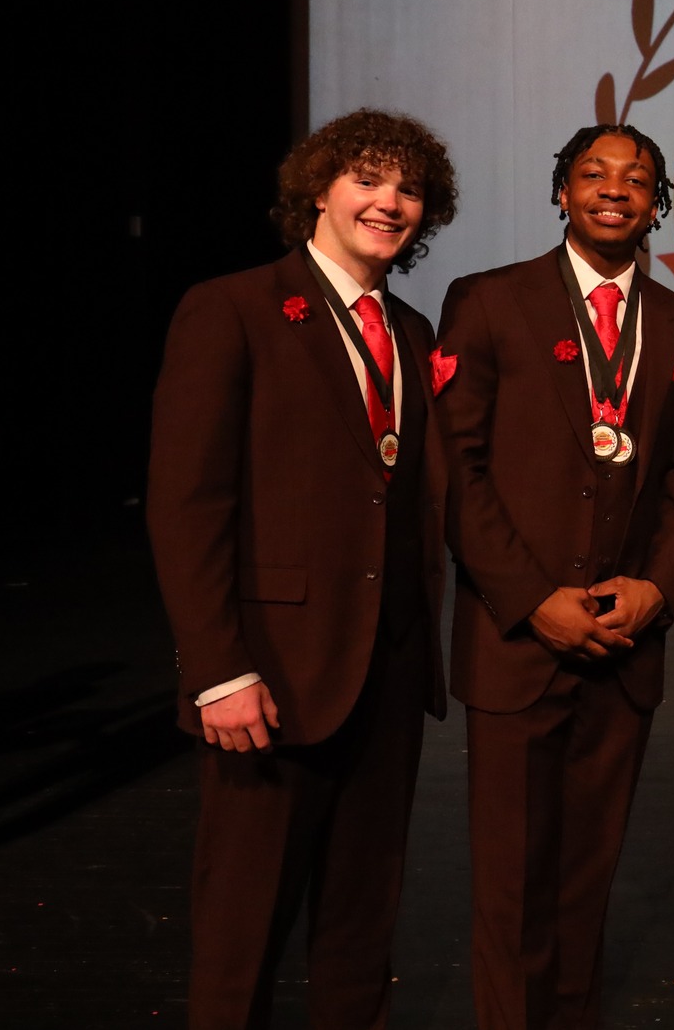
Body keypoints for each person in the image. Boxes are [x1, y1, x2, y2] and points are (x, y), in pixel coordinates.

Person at [147, 109, 458, 1030]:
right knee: (242, 931)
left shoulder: (408, 325)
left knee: (363, 929)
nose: (389, 202)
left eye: (408, 189)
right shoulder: (232, 305)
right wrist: (217, 668)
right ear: (318, 191)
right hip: (268, 677)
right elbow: (186, 503)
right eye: (367, 179)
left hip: (387, 673)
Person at [434, 124, 674, 1030]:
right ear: (562, 193)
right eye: (594, 173)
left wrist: (656, 587)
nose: (615, 188)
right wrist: (528, 598)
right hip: (519, 644)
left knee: (587, 884)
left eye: (638, 179)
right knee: (512, 888)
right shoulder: (488, 300)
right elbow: (456, 470)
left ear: (657, 203)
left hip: (623, 644)